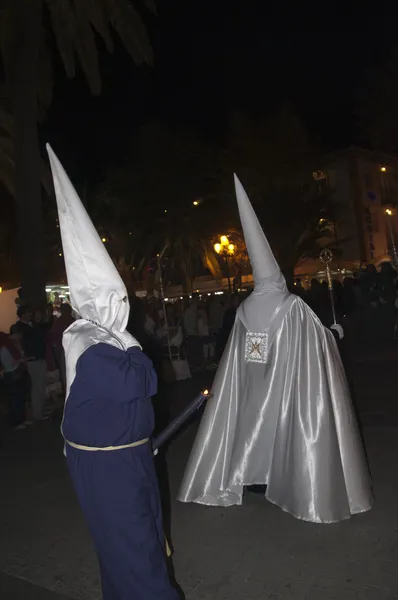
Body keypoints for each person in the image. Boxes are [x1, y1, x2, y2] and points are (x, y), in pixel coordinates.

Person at [178, 175, 373, 523]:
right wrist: (336, 332)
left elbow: (238, 351)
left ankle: (252, 478)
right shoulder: (290, 305)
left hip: (251, 381)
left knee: (253, 424)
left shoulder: (243, 308)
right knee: (283, 424)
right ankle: (285, 478)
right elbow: (315, 340)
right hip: (283, 379)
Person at [47, 145, 179, 600]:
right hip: (109, 464)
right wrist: (137, 352)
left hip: (129, 455)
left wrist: (135, 352)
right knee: (135, 551)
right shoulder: (89, 341)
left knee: (138, 544)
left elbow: (142, 374)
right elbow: (142, 380)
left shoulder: (109, 338)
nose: (124, 304)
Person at [17, 305, 48, 421]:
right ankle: (37, 413)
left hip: (38, 358)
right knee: (37, 386)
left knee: (40, 386)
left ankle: (40, 409)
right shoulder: (21, 327)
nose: (30, 315)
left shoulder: (32, 325)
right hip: (32, 359)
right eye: (27, 313)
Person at [0, 325, 30, 429]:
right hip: (12, 374)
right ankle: (16, 422)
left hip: (16, 372)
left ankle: (21, 420)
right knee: (15, 399)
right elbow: (8, 365)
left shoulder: (12, 345)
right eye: (20, 335)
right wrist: (20, 361)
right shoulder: (6, 346)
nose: (21, 337)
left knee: (19, 398)